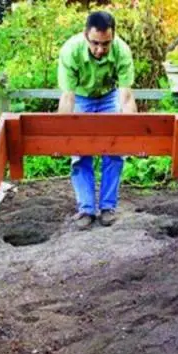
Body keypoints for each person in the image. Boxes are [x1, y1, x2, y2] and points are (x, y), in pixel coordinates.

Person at [57, 11, 137, 230]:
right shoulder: (71, 51)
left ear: (113, 37)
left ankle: (108, 208)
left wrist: (133, 134)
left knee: (115, 150)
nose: (100, 50)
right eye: (95, 43)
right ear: (85, 35)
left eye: (106, 44)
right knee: (80, 153)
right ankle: (86, 209)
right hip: (81, 97)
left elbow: (126, 97)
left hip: (109, 96)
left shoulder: (122, 51)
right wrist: (62, 137)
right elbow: (67, 97)